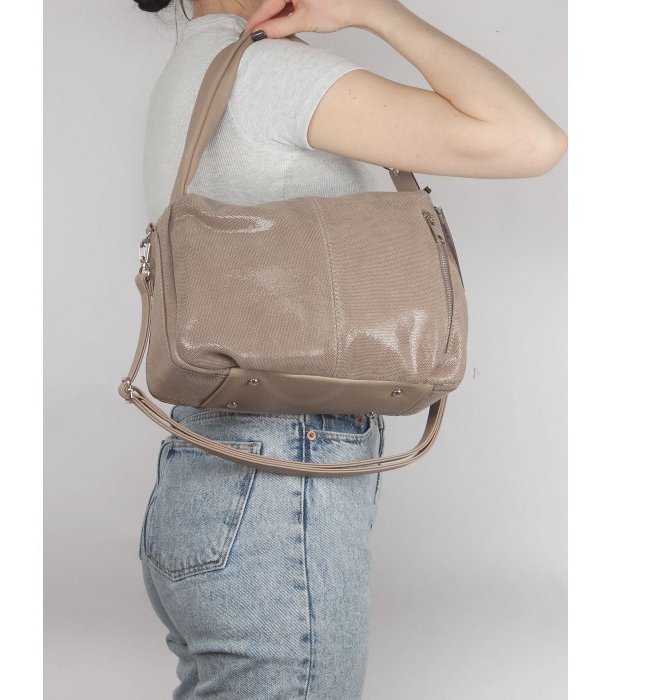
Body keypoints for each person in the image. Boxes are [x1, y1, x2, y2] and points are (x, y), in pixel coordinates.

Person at [132, 0, 568, 698]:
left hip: (208, 466)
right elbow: (528, 139)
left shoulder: (191, 69)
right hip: (283, 472)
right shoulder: (268, 74)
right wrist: (376, 12)